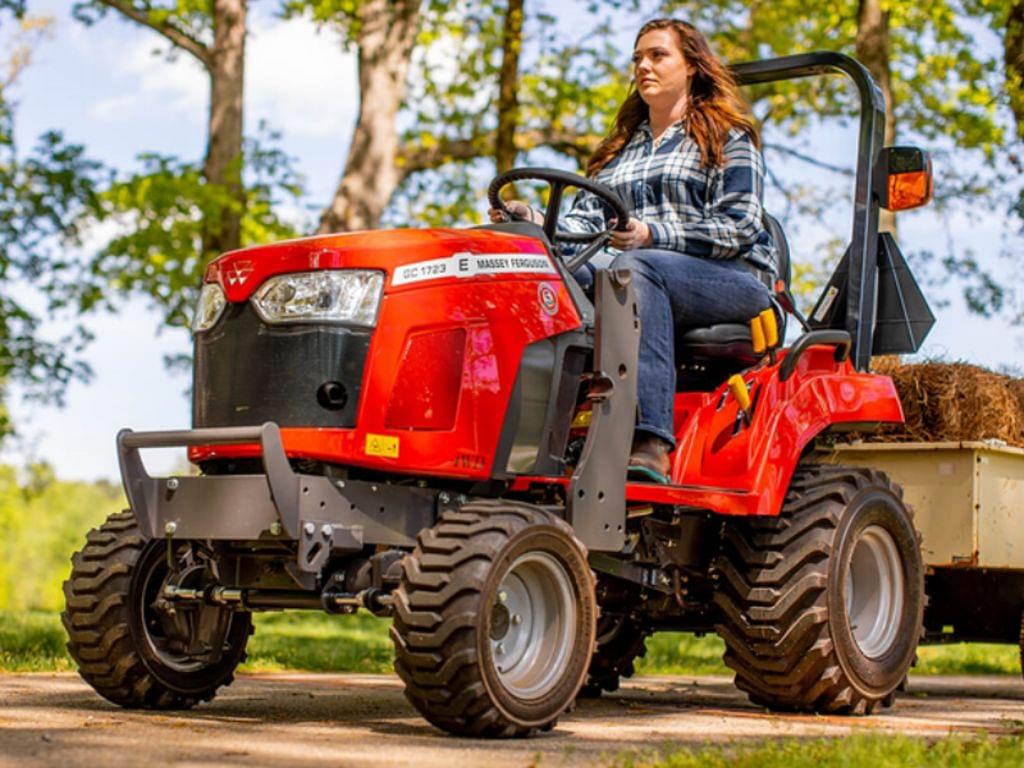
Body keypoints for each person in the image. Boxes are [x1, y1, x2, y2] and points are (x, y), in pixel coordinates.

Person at [489, 18, 776, 483]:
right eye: (637, 58)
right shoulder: (620, 151)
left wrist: (651, 234)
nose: (644, 65)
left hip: (733, 281)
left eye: (658, 55)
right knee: (542, 270)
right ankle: (527, 438)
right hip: (638, 269)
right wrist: (538, 223)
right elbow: (587, 225)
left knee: (636, 267)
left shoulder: (728, 138)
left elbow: (738, 227)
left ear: (692, 67)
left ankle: (650, 439)